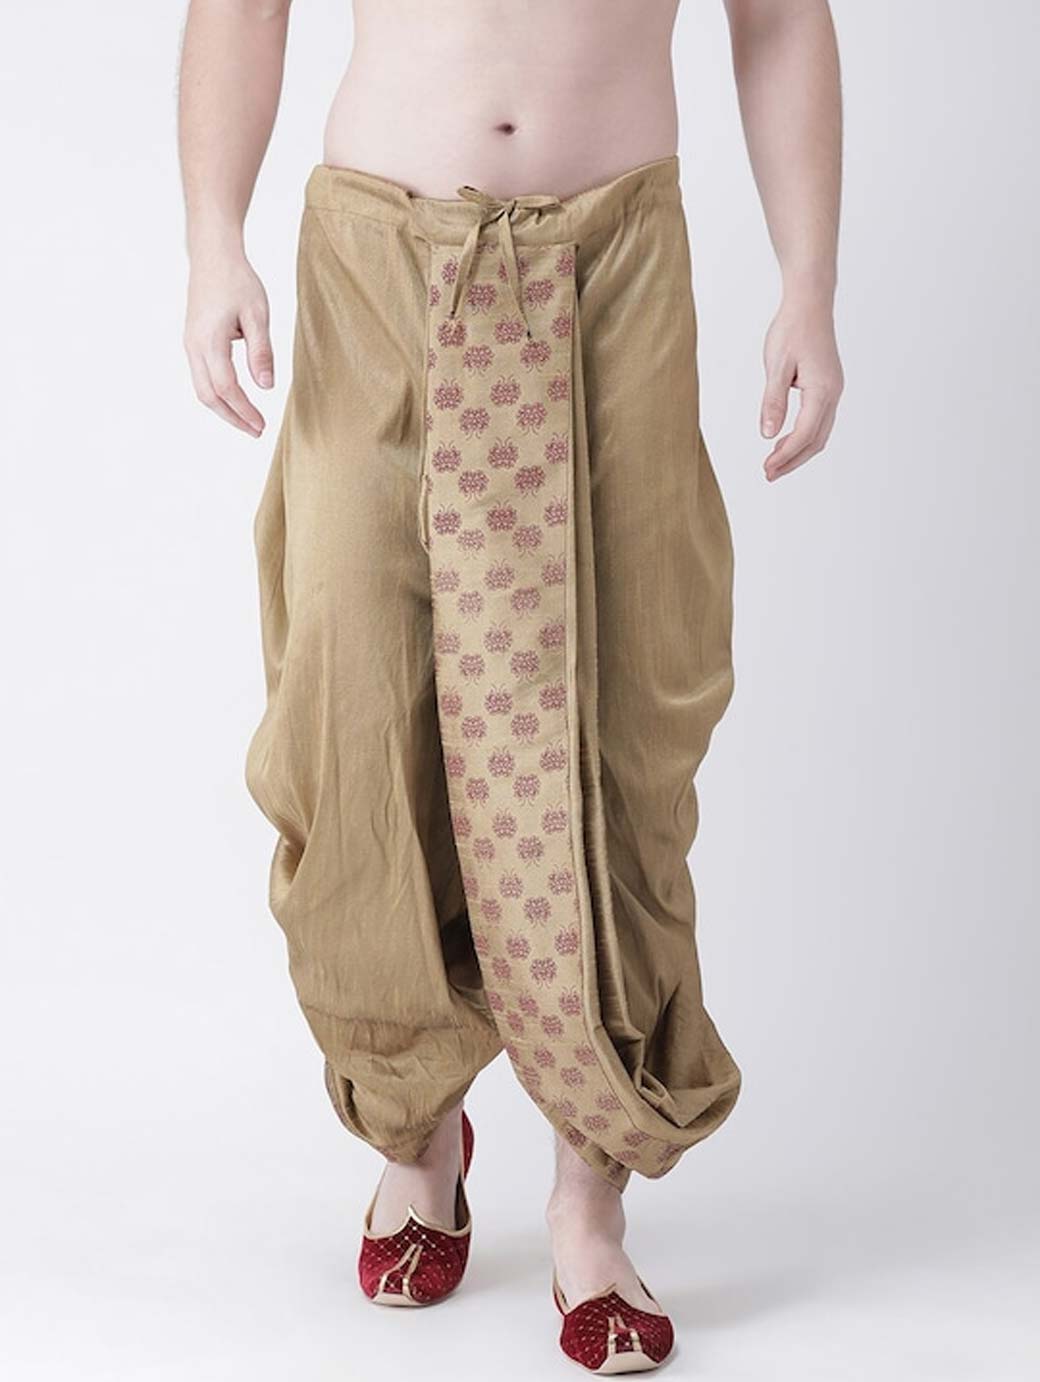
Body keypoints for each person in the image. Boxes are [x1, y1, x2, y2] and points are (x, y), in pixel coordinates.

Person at [178, 0, 843, 1370]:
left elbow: (780, 20)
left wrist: (809, 285)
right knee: (360, 713)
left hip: (616, 265)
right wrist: (212, 240)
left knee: (619, 728)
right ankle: (417, 1134)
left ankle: (589, 1198)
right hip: (377, 258)